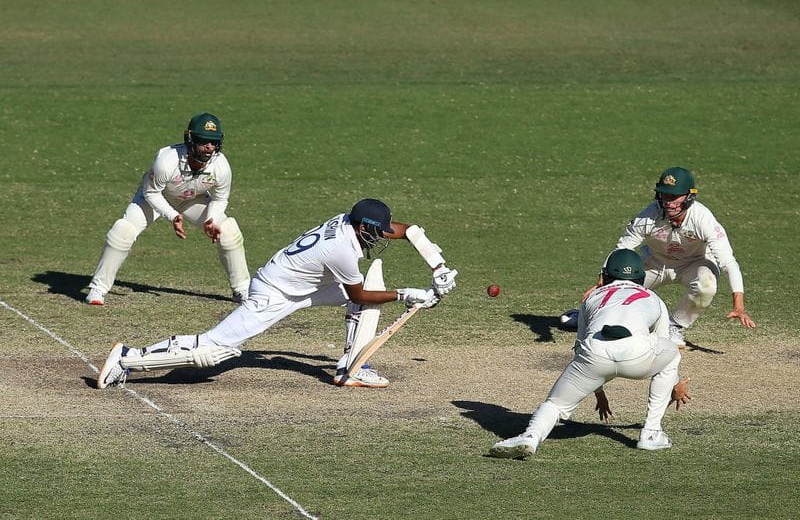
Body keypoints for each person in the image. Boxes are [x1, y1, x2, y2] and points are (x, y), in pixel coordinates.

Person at [96, 198, 458, 389]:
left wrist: (437, 267)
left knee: (364, 295)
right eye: (374, 232)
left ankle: (351, 368)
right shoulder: (343, 249)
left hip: (304, 286)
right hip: (275, 292)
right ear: (362, 226)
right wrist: (408, 294)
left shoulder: (349, 221)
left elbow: (408, 229)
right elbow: (360, 294)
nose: (379, 237)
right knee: (214, 350)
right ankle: (127, 359)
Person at [490, 249, 690, 460]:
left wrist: (598, 390)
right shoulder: (653, 298)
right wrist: (674, 384)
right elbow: (663, 346)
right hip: (637, 355)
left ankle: (530, 437)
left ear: (605, 276)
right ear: (640, 277)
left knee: (556, 404)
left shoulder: (592, 297)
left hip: (595, 353)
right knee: (672, 354)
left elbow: (580, 346)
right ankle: (651, 433)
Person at [561, 167, 755, 346]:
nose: (668, 202)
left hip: (694, 264)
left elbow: (729, 263)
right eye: (664, 195)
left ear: (689, 197)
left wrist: (738, 306)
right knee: (618, 282)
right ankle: (589, 314)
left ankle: (675, 326)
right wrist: (603, 284)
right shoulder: (649, 215)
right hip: (655, 262)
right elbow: (622, 248)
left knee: (707, 284)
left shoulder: (703, 219)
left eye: (674, 196)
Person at [84, 112, 250, 306]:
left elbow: (221, 198)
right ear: (190, 139)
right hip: (156, 197)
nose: (209, 147)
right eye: (204, 141)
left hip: (191, 199)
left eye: (213, 142)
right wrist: (172, 216)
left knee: (228, 230)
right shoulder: (167, 160)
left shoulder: (221, 166)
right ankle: (98, 288)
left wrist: (210, 220)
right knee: (123, 230)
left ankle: (242, 290)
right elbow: (151, 193)